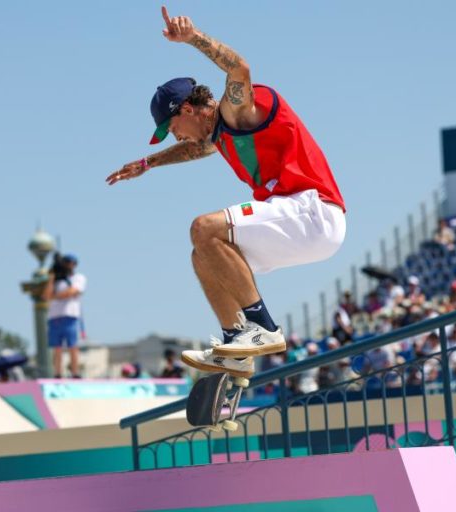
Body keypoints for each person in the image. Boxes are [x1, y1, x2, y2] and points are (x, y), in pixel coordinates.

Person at [106, 8, 346, 378]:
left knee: (204, 227)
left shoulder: (238, 111)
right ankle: (236, 343)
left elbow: (239, 69)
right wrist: (148, 164)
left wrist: (193, 38)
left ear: (188, 108)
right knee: (202, 253)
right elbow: (195, 149)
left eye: (173, 127)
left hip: (314, 211)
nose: (176, 136)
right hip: (298, 224)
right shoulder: (219, 135)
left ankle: (262, 327)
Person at [42, 253, 86, 379]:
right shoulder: (56, 281)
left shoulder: (78, 277)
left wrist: (55, 296)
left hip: (70, 315)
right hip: (54, 317)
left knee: (72, 345)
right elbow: (45, 296)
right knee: (57, 347)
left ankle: (75, 372)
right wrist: (52, 278)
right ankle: (57, 373)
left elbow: (72, 291)